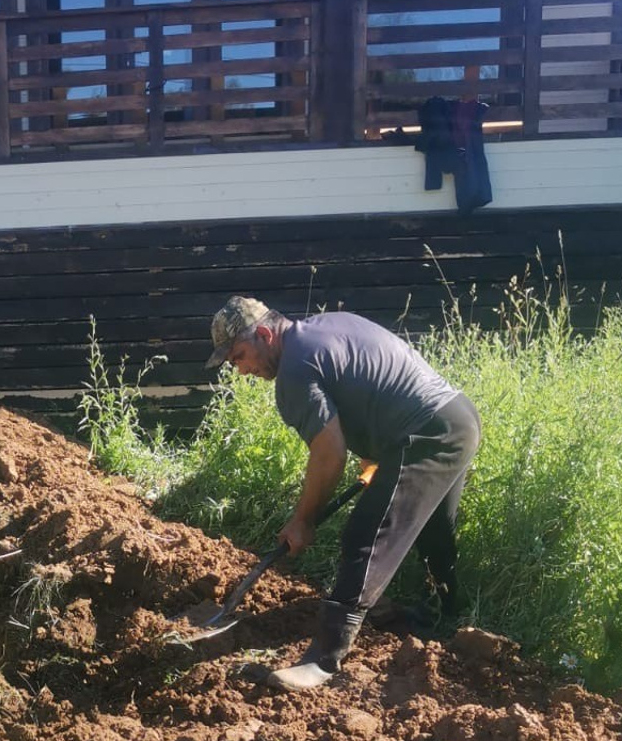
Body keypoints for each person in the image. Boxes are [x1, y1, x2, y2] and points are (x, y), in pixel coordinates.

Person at [203, 296, 481, 692]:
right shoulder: (324, 327)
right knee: (433, 527)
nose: (243, 370)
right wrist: (378, 454)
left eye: (239, 357)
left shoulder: (295, 371)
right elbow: (370, 386)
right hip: (457, 418)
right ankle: (443, 615)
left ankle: (322, 660)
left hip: (425, 433)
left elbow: (328, 452)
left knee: (366, 535)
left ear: (265, 334)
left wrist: (303, 520)